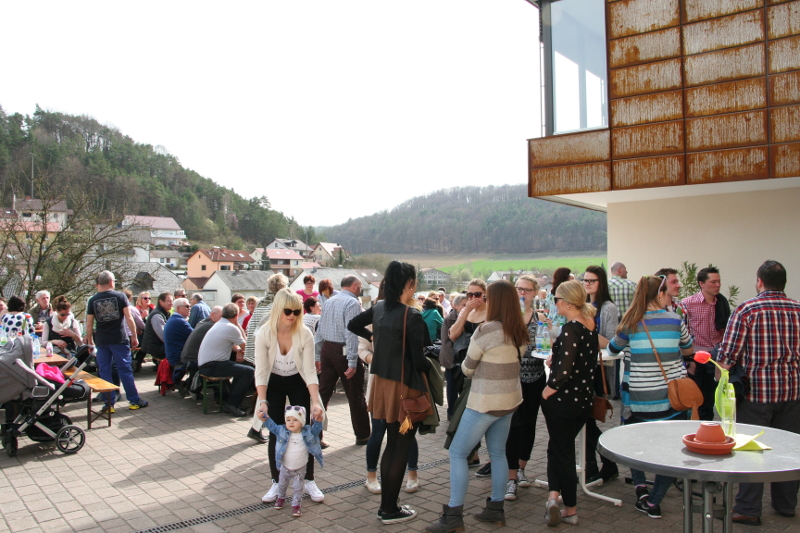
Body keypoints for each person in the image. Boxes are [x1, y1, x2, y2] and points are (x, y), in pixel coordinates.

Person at [426, 280, 526, 533]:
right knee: (499, 454)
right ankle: (496, 509)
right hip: (510, 401)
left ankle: (453, 516)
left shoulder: (486, 330)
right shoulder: (519, 330)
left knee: (458, 452)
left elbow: (467, 367)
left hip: (484, 401)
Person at [714, 260, 800, 526]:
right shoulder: (798, 309)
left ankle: (748, 509)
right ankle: (786, 505)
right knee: (789, 449)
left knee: (752, 451)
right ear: (783, 283)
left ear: (759, 281)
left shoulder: (748, 310)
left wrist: (720, 380)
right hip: (793, 391)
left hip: (757, 395)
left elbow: (727, 355)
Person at [348, 261, 430, 525]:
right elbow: (419, 361)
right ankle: (390, 510)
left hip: (383, 387)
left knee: (392, 444)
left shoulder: (379, 307)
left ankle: (388, 506)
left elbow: (353, 325)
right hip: (405, 391)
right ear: (410, 283)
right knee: (400, 444)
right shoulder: (412, 315)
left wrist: (375, 341)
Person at [608, 275, 693, 519]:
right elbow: (689, 349)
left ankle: (640, 488)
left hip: (639, 397)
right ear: (659, 294)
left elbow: (613, 349)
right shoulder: (675, 320)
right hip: (672, 397)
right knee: (669, 450)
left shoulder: (630, 323)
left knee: (636, 445)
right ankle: (653, 501)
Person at [255, 289, 326, 505]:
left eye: (296, 311)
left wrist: (315, 401)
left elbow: (310, 370)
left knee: (307, 431)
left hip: (298, 380)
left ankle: (309, 480)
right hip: (274, 381)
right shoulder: (264, 333)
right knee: (276, 432)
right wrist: (263, 401)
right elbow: (260, 370)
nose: (292, 315)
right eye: (287, 311)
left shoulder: (304, 333)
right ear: (278, 309)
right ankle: (277, 482)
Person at [542, 280, 598, 527]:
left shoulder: (571, 329)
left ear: (564, 303)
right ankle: (553, 497)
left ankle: (571, 509)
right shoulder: (588, 325)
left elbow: (564, 370)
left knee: (562, 453)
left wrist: (547, 391)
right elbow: (580, 361)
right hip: (583, 400)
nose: (554, 304)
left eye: (556, 300)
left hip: (563, 401)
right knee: (556, 448)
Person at [503, 274, 545, 501]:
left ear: (535, 293)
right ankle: (510, 479)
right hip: (512, 380)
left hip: (535, 378)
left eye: (527, 290)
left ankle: (521, 469)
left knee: (529, 425)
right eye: (518, 289)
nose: (522, 293)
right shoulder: (508, 319)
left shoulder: (540, 319)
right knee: (513, 427)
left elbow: (548, 347)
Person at [316, 275, 370, 446]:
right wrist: (353, 362)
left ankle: (314, 435)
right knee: (355, 396)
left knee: (323, 393)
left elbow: (320, 329)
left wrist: (317, 355)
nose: (360, 289)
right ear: (354, 286)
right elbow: (351, 333)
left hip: (327, 348)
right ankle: (363, 435)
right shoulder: (352, 303)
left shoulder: (329, 301)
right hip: (343, 352)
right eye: (360, 286)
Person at [579, 266, 621, 484]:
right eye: (584, 280)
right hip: (583, 366)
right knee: (585, 420)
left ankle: (607, 463)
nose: (587, 284)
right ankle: (596, 465)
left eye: (591, 281)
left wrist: (587, 332)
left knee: (589, 419)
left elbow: (611, 342)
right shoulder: (582, 305)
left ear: (601, 282)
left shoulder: (607, 308)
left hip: (599, 368)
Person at [85, 271, 147, 411]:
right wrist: (134, 336)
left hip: (101, 339)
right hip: (119, 338)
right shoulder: (120, 296)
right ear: (112, 282)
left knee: (104, 371)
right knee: (125, 369)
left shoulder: (92, 300)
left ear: (99, 283)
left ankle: (109, 403)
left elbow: (89, 323)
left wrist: (90, 341)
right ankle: (134, 401)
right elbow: (129, 318)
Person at [449, 279, 488, 471]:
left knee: (481, 414)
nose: (473, 298)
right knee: (466, 411)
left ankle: (486, 455)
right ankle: (473, 452)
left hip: (485, 371)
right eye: (469, 295)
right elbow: (453, 335)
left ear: (486, 295)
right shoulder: (467, 312)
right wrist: (464, 313)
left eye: (477, 294)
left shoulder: (491, 313)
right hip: (465, 368)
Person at [682, 267, 730, 421]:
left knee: (711, 399)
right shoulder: (688, 303)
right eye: (713, 282)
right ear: (701, 284)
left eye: (719, 281)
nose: (717, 285)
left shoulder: (721, 303)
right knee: (698, 399)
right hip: (697, 357)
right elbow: (684, 330)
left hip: (715, 357)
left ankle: (708, 428)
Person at [259, 406, 324, 518]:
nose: (291, 423)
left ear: (302, 422)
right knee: (282, 484)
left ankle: (296, 505)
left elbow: (316, 430)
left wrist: (318, 420)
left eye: (295, 420)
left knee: (298, 488)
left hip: (300, 467)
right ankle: (281, 498)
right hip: (285, 466)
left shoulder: (307, 432)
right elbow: (272, 427)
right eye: (288, 420)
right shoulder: (282, 430)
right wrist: (265, 418)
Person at [197, 303, 252, 417]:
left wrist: (238, 351)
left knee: (241, 371)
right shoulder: (231, 327)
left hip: (206, 364)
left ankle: (232, 402)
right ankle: (232, 404)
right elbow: (246, 347)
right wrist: (238, 326)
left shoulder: (220, 324)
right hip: (212, 366)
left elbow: (230, 343)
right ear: (236, 316)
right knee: (249, 371)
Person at [244, 273, 289, 364]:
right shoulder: (282, 303)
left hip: (255, 346)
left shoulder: (261, 302)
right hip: (269, 346)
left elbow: (250, 326)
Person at [439, 293, 466, 420]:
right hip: (452, 359)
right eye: (463, 305)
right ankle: (451, 412)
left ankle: (461, 411)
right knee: (452, 388)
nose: (465, 308)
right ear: (456, 306)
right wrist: (452, 361)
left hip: (464, 359)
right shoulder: (450, 319)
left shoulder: (469, 318)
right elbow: (446, 341)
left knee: (463, 388)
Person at [142, 292, 173, 365]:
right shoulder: (157, 315)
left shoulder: (165, 313)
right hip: (156, 348)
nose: (171, 303)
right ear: (161, 302)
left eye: (172, 301)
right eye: (169, 301)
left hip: (159, 346)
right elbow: (163, 336)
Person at [164, 298, 193, 367]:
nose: (189, 308)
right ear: (178, 308)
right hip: (178, 358)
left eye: (190, 306)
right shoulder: (179, 321)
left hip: (173, 355)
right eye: (187, 306)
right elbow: (195, 336)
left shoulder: (174, 319)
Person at [132, 291, 155, 373]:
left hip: (151, 333)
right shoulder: (136, 309)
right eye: (145, 298)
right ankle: (136, 361)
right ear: (140, 299)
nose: (147, 300)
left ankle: (137, 361)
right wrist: (142, 317)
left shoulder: (153, 309)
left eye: (149, 298)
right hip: (140, 333)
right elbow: (132, 322)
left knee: (148, 344)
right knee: (143, 344)